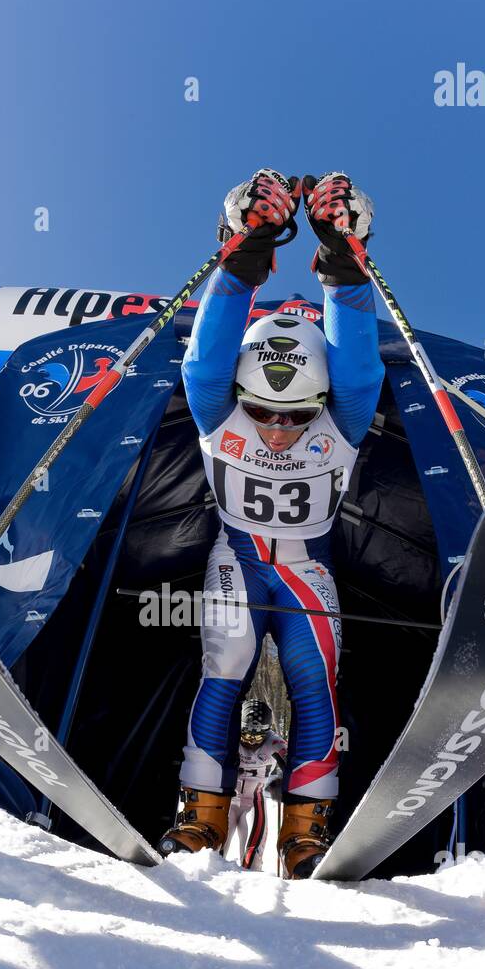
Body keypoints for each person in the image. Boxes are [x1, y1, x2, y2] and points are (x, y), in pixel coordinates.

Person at [158, 169, 384, 878]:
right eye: (261, 410)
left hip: (307, 571)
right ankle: (200, 821)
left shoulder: (339, 415)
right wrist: (244, 257)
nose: (280, 428)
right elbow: (205, 360)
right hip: (239, 561)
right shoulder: (215, 407)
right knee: (223, 671)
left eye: (298, 411)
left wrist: (343, 271)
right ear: (239, 398)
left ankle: (306, 832)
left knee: (314, 680)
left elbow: (357, 373)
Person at [226, 699, 287, 872]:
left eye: (258, 735)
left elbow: (294, 765)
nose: (252, 740)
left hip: (255, 803)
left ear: (266, 732)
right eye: (247, 734)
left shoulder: (274, 742)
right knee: (215, 852)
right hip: (227, 801)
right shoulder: (230, 736)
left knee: (252, 861)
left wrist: (282, 781)